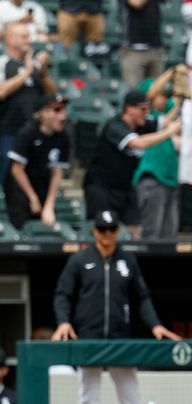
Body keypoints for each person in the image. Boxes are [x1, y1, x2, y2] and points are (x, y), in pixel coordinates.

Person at [52, 209, 181, 404]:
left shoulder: (127, 260)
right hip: (89, 336)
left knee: (131, 398)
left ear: (118, 231)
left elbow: (141, 296)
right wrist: (64, 321)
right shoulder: (80, 259)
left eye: (112, 229)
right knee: (88, 400)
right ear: (95, 231)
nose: (107, 234)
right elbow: (63, 294)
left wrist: (155, 325)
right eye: (103, 229)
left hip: (120, 337)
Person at [84, 90, 181, 236]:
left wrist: (180, 103)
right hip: (101, 188)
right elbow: (138, 143)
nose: (146, 113)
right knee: (104, 231)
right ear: (129, 109)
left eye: (148, 109)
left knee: (134, 230)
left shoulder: (141, 124)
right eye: (143, 109)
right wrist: (169, 133)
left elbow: (165, 122)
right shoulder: (115, 125)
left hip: (124, 187)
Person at [0, 21, 56, 182]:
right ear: (9, 39)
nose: (28, 40)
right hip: (10, 132)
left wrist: (43, 73)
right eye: (23, 36)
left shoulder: (36, 66)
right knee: (9, 177)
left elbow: (53, 96)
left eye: (29, 36)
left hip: (37, 132)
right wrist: (25, 74)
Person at [5, 93, 72, 229]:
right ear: (43, 113)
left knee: (47, 225)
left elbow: (57, 172)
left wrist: (49, 205)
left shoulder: (64, 136)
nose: (63, 116)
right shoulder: (27, 133)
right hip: (21, 188)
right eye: (57, 110)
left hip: (43, 186)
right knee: (22, 227)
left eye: (63, 110)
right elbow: (17, 169)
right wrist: (32, 197)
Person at [134, 72, 182, 240]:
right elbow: (149, 95)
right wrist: (171, 73)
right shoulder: (145, 118)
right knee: (151, 236)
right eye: (162, 95)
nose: (164, 98)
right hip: (152, 179)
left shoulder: (166, 118)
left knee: (169, 237)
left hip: (171, 180)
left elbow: (177, 106)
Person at [119, 0, 164, 89]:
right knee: (134, 91)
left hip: (155, 48)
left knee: (157, 92)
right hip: (133, 50)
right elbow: (136, 3)